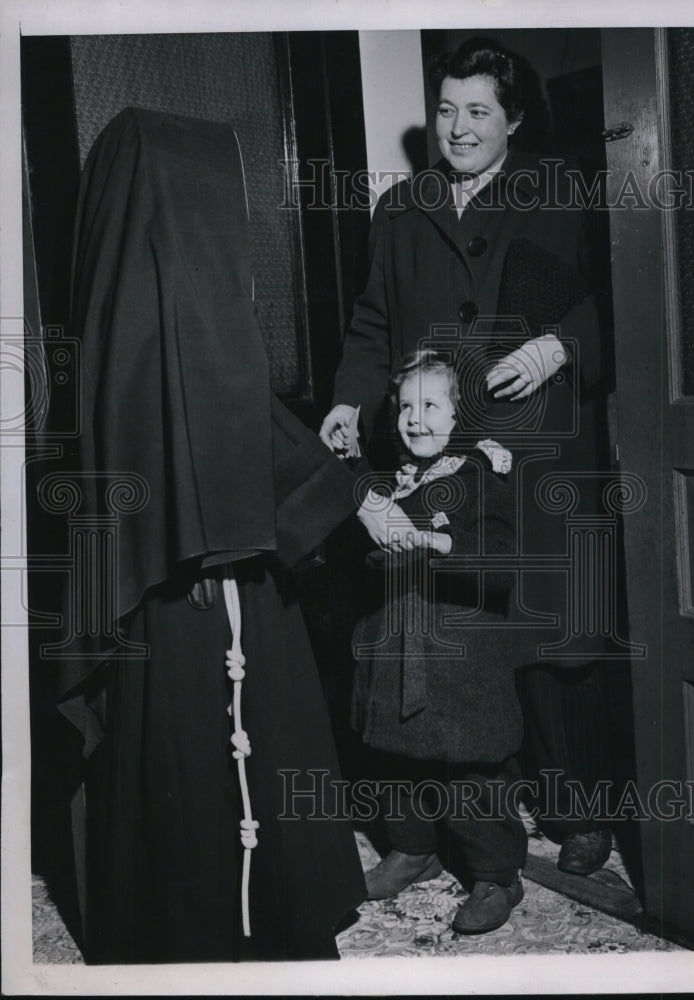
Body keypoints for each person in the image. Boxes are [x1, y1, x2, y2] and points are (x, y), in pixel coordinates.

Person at [55, 107, 366, 964]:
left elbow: (235, 418)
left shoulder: (156, 311)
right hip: (186, 593)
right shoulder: (152, 316)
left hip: (218, 576)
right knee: (200, 773)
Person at [321, 36, 614, 875]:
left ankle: (579, 810)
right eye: (445, 110)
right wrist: (348, 396)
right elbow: (373, 326)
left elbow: (618, 302)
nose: (457, 128)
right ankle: (449, 828)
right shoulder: (401, 208)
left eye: (477, 111)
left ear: (513, 118)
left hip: (543, 450)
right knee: (447, 629)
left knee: (561, 630)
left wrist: (560, 347)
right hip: (443, 457)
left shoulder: (561, 192)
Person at [351, 350, 526, 934]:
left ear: (460, 415)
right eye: (405, 406)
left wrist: (439, 546)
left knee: (472, 766)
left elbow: (502, 564)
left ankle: (497, 872)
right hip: (397, 643)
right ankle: (412, 849)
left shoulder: (481, 475)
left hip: (462, 655)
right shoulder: (389, 480)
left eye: (430, 405)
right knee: (396, 756)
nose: (414, 418)